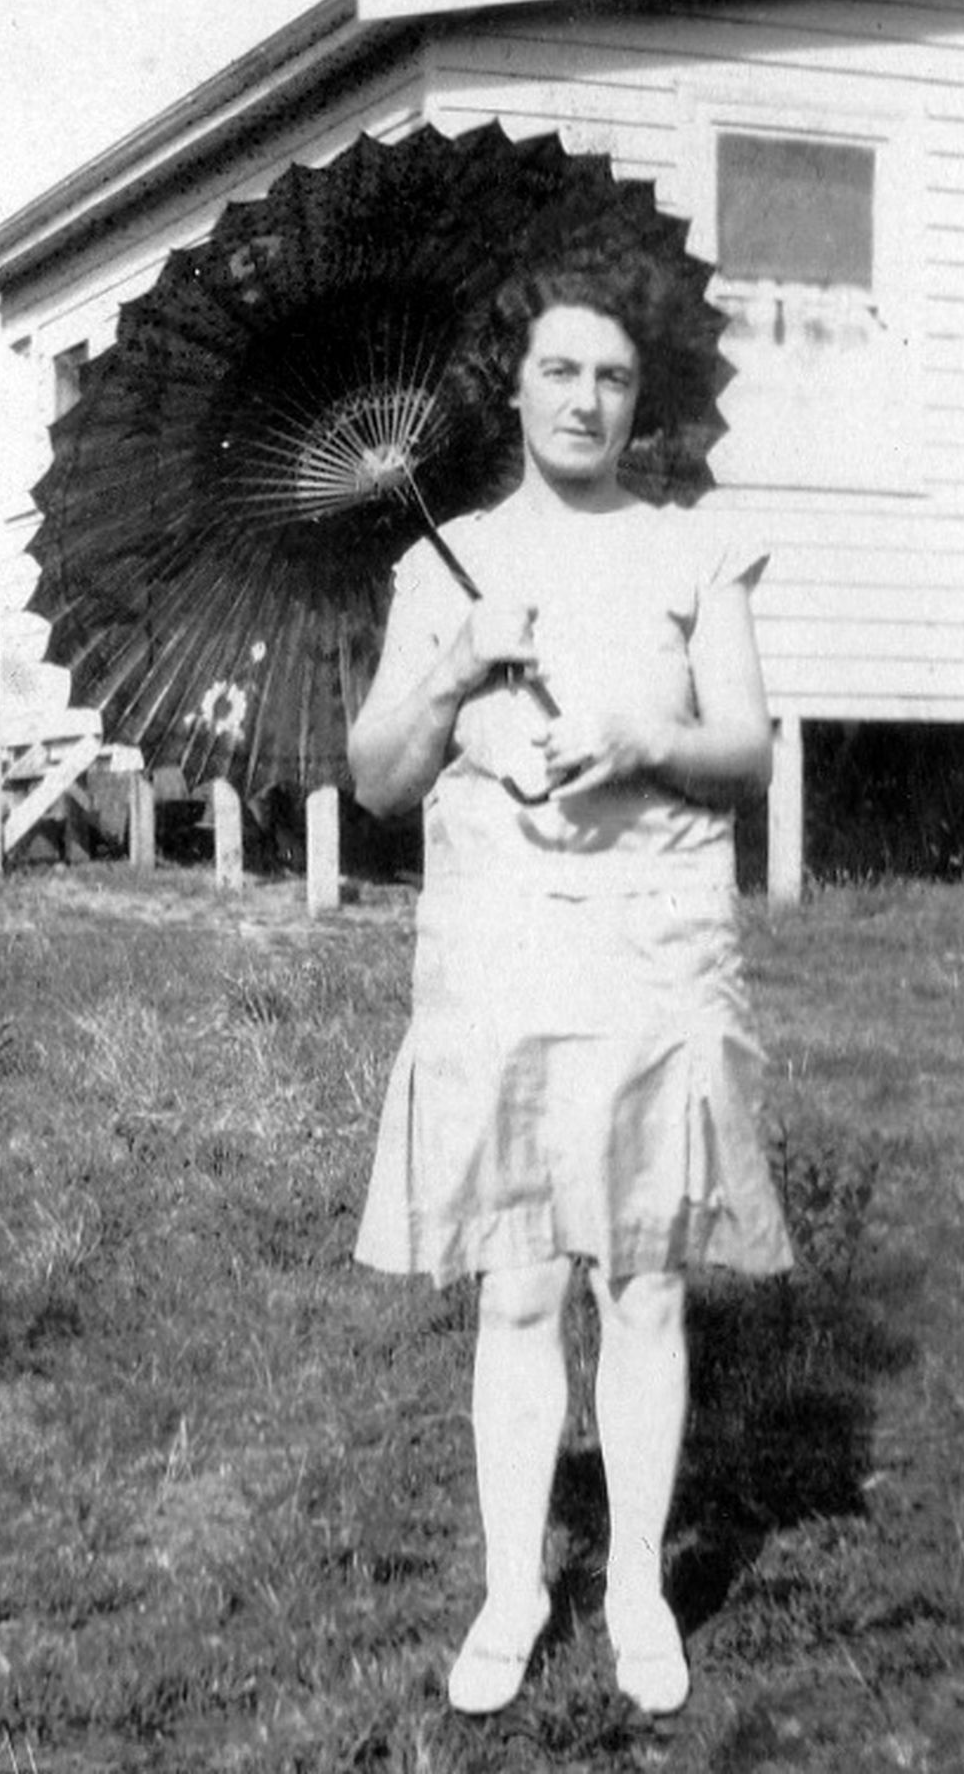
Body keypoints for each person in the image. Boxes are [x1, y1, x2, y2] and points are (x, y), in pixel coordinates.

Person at [347, 247, 793, 1720]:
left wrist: (634, 732)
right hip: (503, 948)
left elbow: (745, 749)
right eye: (558, 369)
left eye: (611, 373)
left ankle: (638, 1589)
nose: (586, 398)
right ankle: (511, 1588)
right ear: (513, 385)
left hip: (656, 946)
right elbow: (376, 780)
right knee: (521, 1282)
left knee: (646, 1278)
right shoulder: (443, 560)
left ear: (637, 391)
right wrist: (458, 670)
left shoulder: (689, 551)